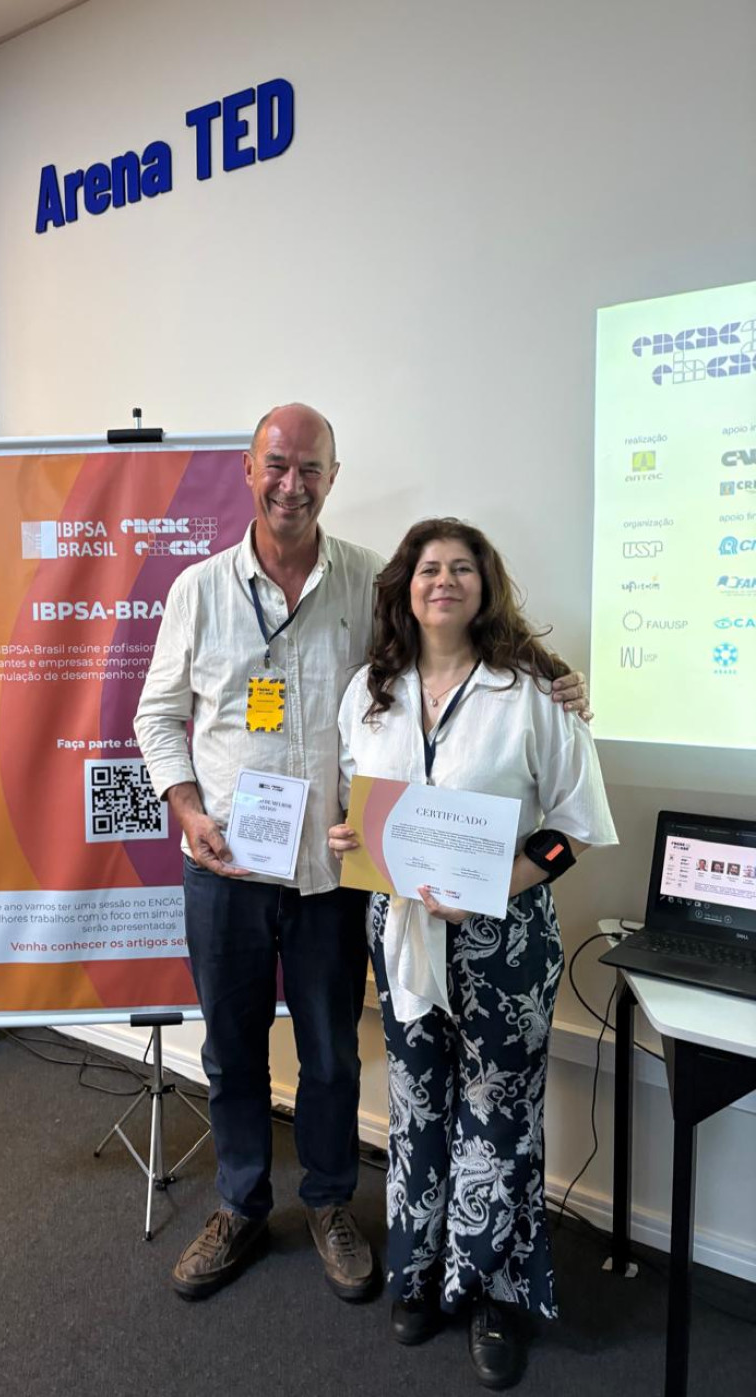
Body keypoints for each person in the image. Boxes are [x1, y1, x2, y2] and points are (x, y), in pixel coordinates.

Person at [134, 406, 589, 1304]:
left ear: (333, 477)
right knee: (230, 1050)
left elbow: (440, 661)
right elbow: (158, 715)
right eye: (276, 464)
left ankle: (331, 1202)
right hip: (223, 868)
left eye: (310, 467)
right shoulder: (198, 590)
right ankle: (238, 1204)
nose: (291, 483)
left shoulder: (371, 584)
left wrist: (552, 675)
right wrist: (186, 807)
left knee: (333, 1053)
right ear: (248, 469)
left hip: (330, 873)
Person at [329, 518, 616, 1388]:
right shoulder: (371, 690)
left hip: (505, 941)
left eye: (461, 567)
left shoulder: (531, 691)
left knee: (499, 1116)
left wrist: (499, 882)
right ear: (405, 587)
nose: (443, 580)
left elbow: (573, 830)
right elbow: (356, 803)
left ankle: (494, 1294)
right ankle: (419, 1273)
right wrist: (349, 836)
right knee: (415, 1104)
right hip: (402, 935)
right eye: (428, 568)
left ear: (484, 586)